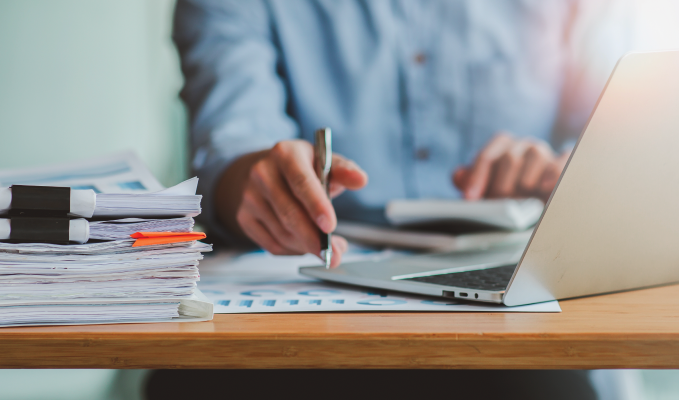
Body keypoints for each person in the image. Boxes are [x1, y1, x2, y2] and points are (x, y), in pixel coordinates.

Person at [153, 1, 638, 399]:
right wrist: (255, 180)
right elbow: (230, 142)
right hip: (297, 311)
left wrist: (565, 171)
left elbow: (623, 139)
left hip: (518, 313)